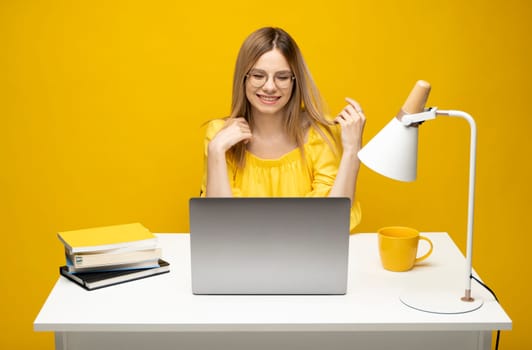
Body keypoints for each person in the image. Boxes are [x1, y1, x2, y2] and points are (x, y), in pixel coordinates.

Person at [200, 27, 365, 232]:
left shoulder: (319, 134)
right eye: (258, 75)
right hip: (240, 260)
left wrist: (352, 152)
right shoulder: (220, 135)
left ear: (295, 81)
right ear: (244, 78)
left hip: (306, 257)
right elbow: (218, 227)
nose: (270, 87)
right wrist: (216, 150)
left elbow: (333, 225)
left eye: (282, 77)